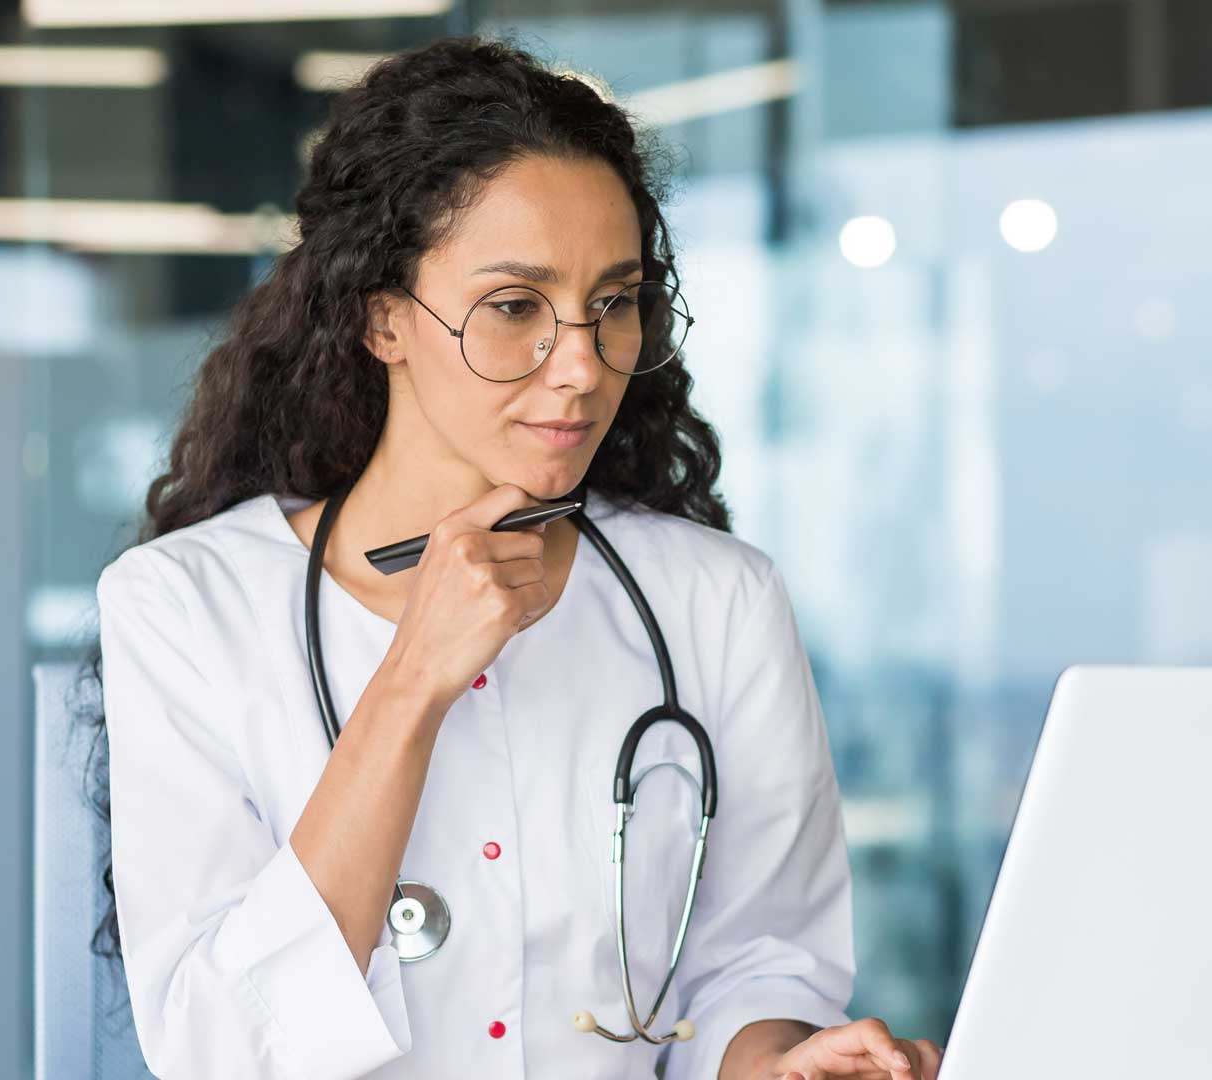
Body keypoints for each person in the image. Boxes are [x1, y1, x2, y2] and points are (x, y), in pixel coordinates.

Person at [88, 34, 943, 1080]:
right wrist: (410, 685)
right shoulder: (185, 607)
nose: (581, 365)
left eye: (614, 302)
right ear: (383, 317)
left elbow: (754, 972)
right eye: (513, 308)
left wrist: (778, 1068)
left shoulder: (717, 602)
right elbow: (219, 1051)